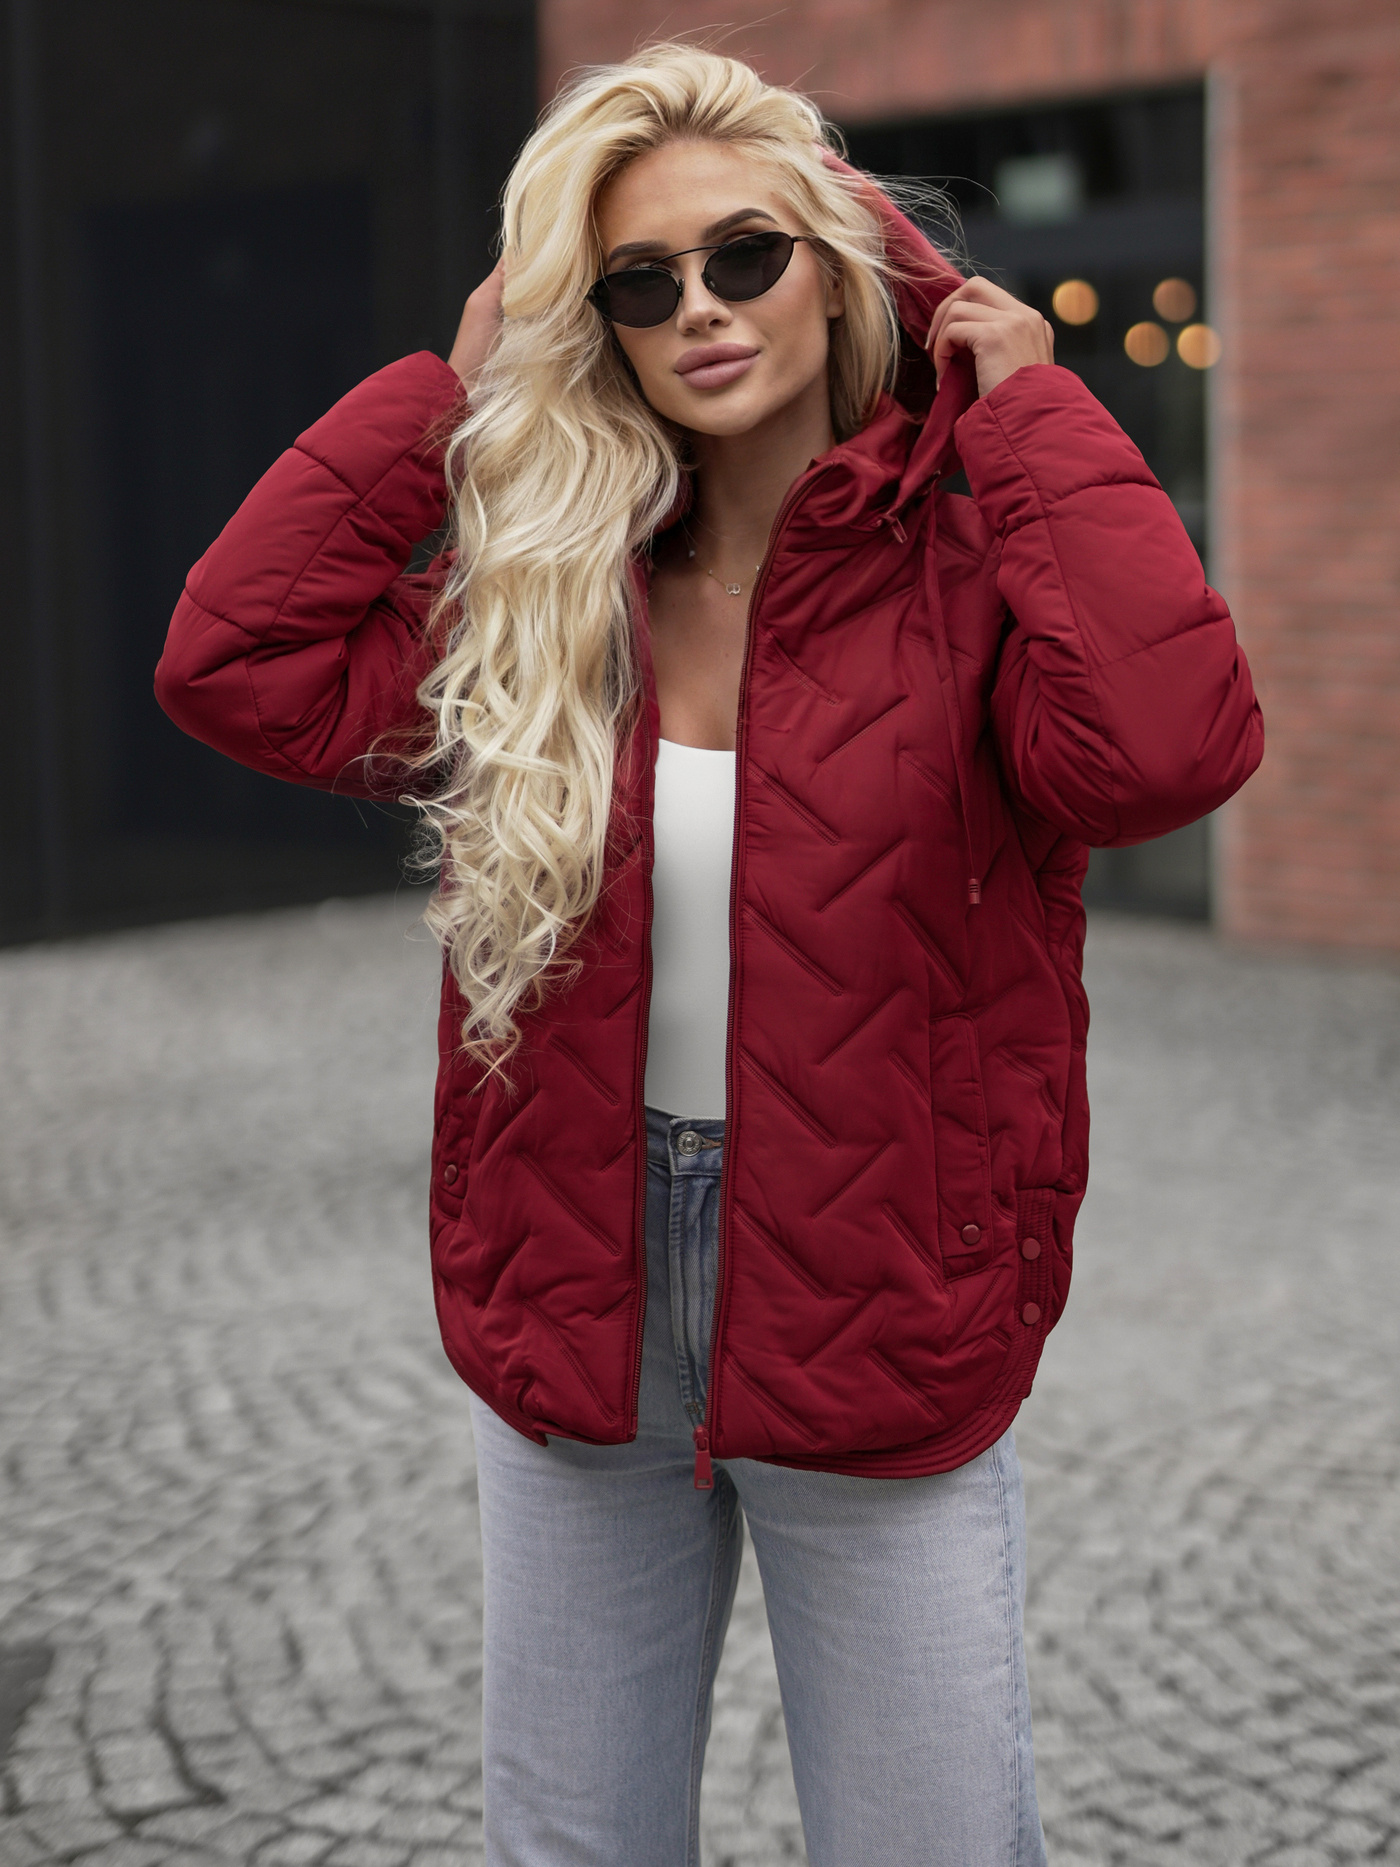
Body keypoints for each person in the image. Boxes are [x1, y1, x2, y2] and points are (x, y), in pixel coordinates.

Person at [156, 42, 1263, 1867]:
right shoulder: (547, 599)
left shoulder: (976, 580)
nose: (703, 309)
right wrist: (447, 397)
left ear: (839, 265)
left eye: (747, 254)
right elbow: (232, 666)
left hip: (882, 1302)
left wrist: (1029, 411)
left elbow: (1167, 754)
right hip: (577, 1294)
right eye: (639, 282)